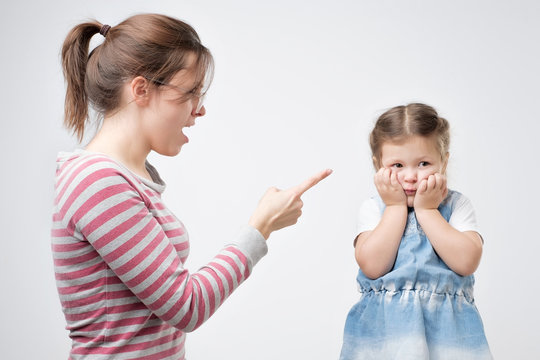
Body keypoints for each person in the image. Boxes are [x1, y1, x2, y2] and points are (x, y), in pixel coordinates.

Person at [52, 13, 331, 359]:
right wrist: (260, 227)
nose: (199, 110)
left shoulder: (124, 179)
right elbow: (186, 307)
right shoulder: (97, 183)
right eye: (189, 93)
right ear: (141, 90)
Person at [339, 103, 492, 359]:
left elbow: (466, 262)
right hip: (385, 335)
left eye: (423, 163)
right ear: (378, 165)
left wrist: (428, 211)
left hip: (448, 335)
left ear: (443, 162)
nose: (410, 176)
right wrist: (395, 207)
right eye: (397, 165)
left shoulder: (456, 206)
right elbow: (373, 266)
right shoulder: (374, 209)